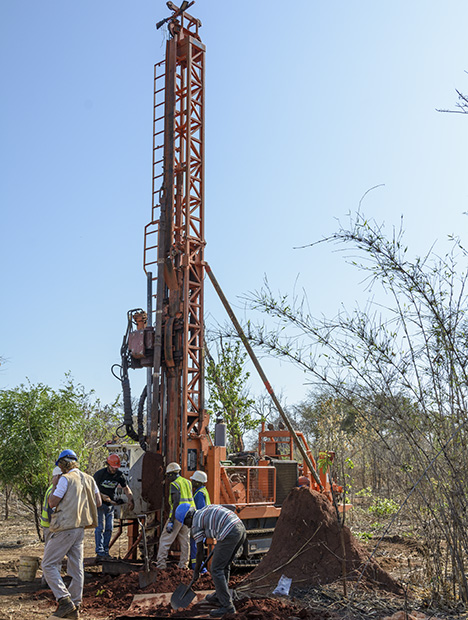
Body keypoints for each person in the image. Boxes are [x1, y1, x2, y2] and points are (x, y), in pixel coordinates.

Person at [42, 449, 101, 619]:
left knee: (48, 564)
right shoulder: (89, 479)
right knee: (76, 567)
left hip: (65, 528)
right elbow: (97, 502)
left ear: (63, 464)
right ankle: (75, 605)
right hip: (80, 529)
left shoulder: (65, 479)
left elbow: (52, 501)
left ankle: (64, 600)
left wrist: (55, 484)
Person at [175, 503, 246, 617]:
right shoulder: (205, 509)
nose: (187, 526)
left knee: (216, 569)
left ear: (189, 517)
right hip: (240, 529)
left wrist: (196, 572)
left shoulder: (195, 524)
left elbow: (199, 553)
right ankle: (221, 595)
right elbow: (230, 508)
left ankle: (227, 607)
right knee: (224, 566)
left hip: (229, 532)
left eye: (186, 523)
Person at [93, 454, 134, 561]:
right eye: (112, 467)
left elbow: (126, 488)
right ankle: (100, 551)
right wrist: (102, 496)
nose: (114, 470)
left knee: (109, 528)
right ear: (108, 465)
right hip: (99, 504)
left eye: (116, 468)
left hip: (109, 505)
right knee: (100, 528)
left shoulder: (119, 476)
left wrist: (130, 499)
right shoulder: (100, 474)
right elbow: (91, 489)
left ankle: (106, 551)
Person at [155, 462, 195, 569]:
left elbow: (176, 503)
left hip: (179, 516)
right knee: (185, 541)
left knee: (165, 540)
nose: (168, 478)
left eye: (168, 475)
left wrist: (172, 521)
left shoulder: (174, 484)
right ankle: (183, 566)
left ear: (172, 474)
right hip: (189, 516)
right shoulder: (187, 482)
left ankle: (161, 565)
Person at [40, 466, 62, 586]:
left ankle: (48, 580)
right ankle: (50, 582)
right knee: (53, 556)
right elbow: (51, 512)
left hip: (48, 526)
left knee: (50, 555)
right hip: (51, 527)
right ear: (58, 477)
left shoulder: (52, 489)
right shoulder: (53, 491)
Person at [189, 470, 211, 570]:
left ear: (198, 482)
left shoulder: (199, 494)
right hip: (204, 524)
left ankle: (199, 569)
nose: (192, 482)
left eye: (193, 480)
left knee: (196, 548)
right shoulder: (202, 491)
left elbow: (200, 511)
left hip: (200, 526)